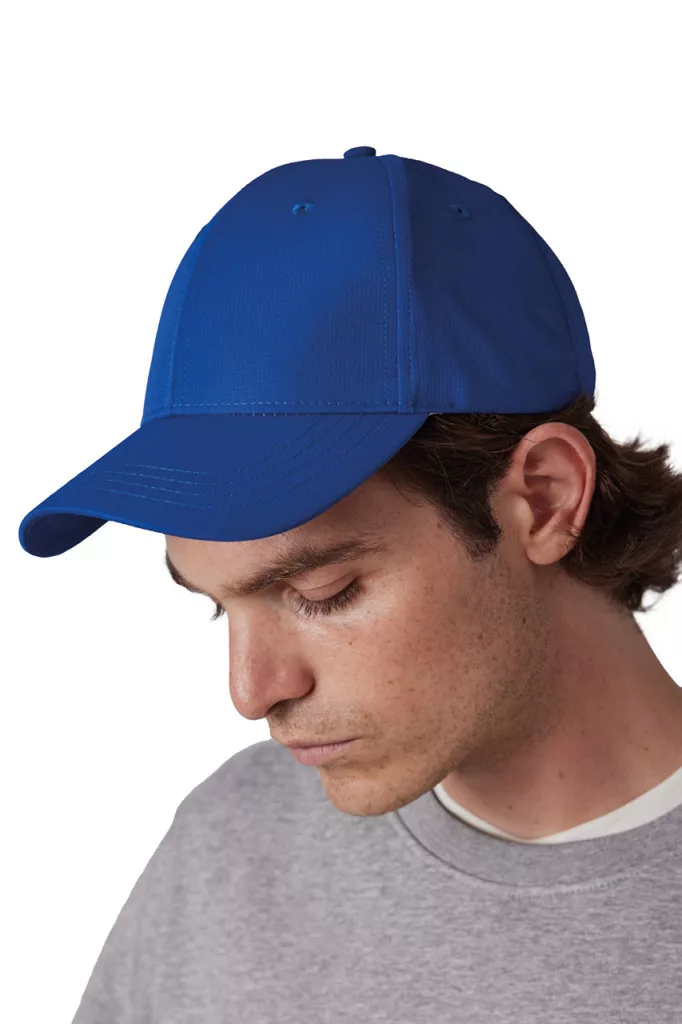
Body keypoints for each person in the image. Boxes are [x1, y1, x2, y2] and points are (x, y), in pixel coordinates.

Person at [19, 145, 682, 1022]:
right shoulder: (229, 852)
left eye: (324, 592)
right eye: (218, 606)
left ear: (545, 498)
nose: (252, 693)